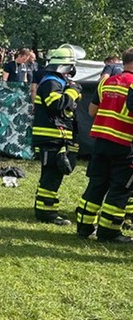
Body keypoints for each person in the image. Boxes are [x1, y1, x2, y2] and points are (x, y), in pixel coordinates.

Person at [74, 48, 133, 242]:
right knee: (120, 188)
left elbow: (92, 111)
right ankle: (108, 232)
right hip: (124, 144)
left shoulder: (106, 82)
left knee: (97, 183)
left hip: (100, 142)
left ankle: (84, 226)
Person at [31, 45, 82, 226]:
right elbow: (56, 104)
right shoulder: (52, 82)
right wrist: (73, 92)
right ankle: (47, 214)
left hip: (55, 136)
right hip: (51, 136)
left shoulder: (55, 81)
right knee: (52, 176)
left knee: (52, 174)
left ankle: (45, 210)